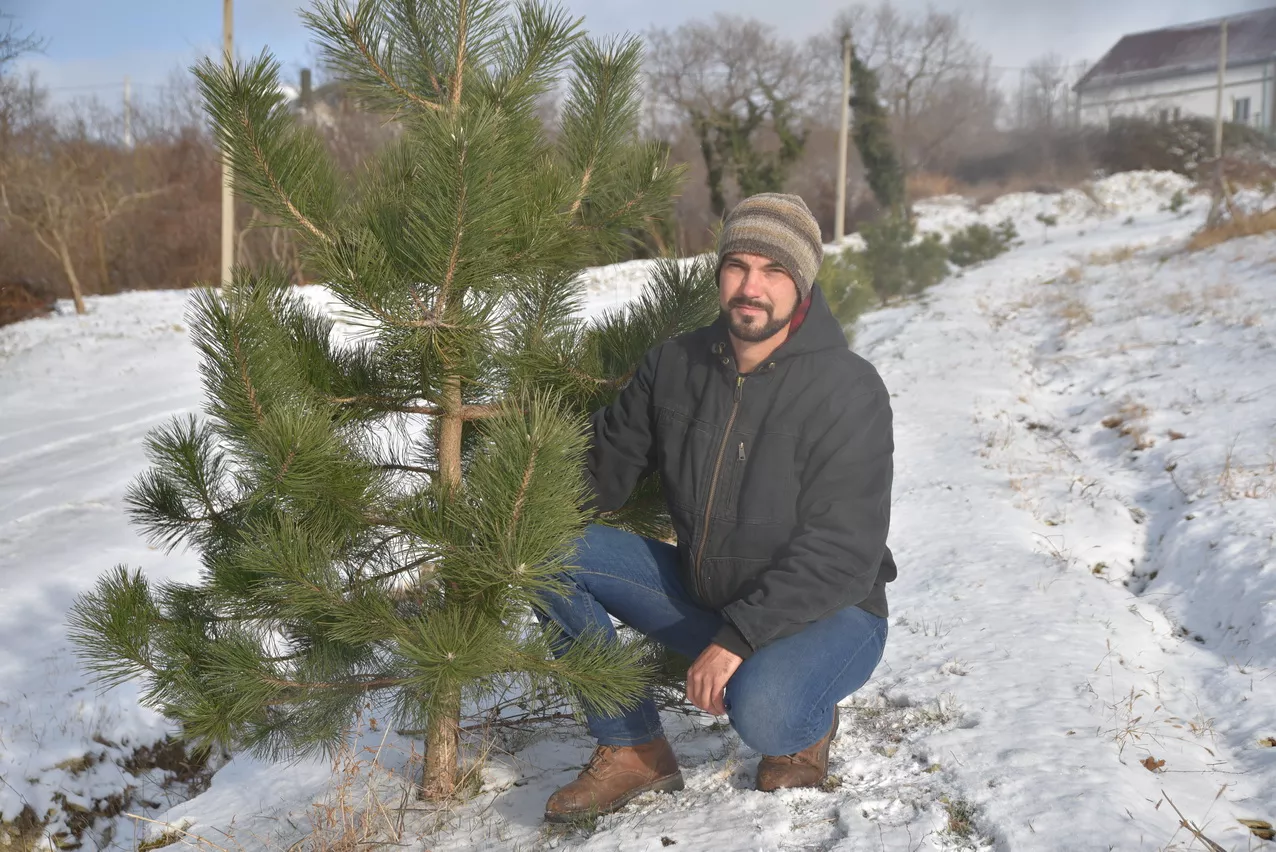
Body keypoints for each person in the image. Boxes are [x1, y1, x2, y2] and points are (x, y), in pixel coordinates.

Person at [537, 193, 897, 823]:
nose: (750, 287)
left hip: (831, 611)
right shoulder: (674, 366)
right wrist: (512, 497)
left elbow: (843, 553)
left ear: (802, 281)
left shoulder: (848, 387)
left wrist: (739, 638)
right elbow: (603, 474)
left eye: (774, 270)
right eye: (738, 265)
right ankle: (633, 749)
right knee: (545, 549)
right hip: (710, 593)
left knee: (765, 712)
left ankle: (807, 719)